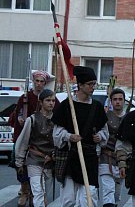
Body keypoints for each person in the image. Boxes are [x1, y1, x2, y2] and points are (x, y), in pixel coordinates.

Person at [52, 66, 108, 207]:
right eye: (90, 84)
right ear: (81, 85)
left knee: (88, 199)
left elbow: (104, 131)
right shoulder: (67, 106)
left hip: (89, 158)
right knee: (69, 200)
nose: (92, 87)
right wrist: (69, 136)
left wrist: (100, 137)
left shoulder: (97, 107)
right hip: (71, 157)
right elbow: (57, 132)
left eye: (94, 84)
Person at [10, 70, 57, 206]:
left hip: (49, 156)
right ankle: (24, 191)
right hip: (30, 144)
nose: (39, 84)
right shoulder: (25, 97)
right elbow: (17, 114)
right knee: (22, 168)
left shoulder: (53, 106)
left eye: (42, 82)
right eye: (37, 81)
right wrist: (20, 119)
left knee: (42, 191)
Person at [99, 88, 126, 207]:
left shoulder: (129, 118)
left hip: (122, 160)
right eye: (115, 99)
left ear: (124, 101)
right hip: (106, 157)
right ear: (111, 101)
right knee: (108, 190)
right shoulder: (104, 117)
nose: (118, 102)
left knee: (116, 194)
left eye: (120, 99)